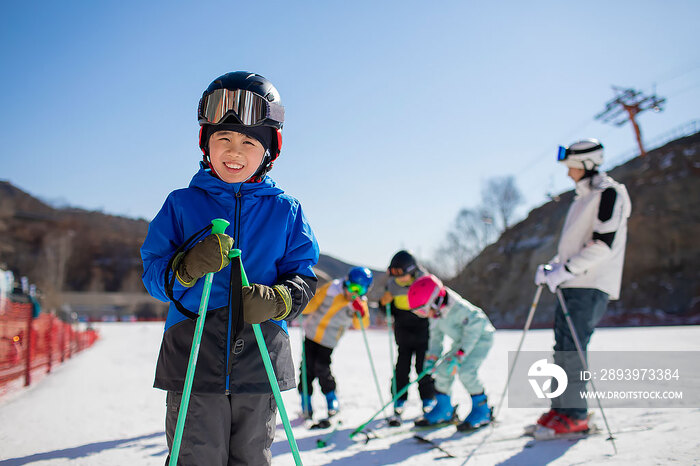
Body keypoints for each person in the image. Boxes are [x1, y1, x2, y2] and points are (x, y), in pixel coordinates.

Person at [141, 71, 319, 466]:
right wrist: (186, 268)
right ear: (205, 143)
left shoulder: (286, 211)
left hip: (260, 359)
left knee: (252, 457)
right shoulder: (181, 204)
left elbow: (304, 275)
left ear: (269, 151)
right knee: (196, 456)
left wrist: (278, 300)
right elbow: (153, 275)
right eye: (223, 138)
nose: (234, 152)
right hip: (194, 355)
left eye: (248, 142)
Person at [533, 139, 631, 436]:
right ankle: (560, 410)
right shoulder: (582, 198)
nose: (568, 174)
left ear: (588, 164)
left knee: (573, 348)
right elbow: (575, 247)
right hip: (572, 282)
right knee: (562, 348)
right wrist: (554, 266)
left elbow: (604, 244)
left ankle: (575, 415)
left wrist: (567, 269)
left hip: (589, 283)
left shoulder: (609, 193)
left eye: (571, 167)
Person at [407, 274, 495, 431]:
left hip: (481, 339)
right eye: (418, 313)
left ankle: (482, 410)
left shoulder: (460, 308)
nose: (423, 315)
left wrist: (460, 355)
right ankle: (444, 409)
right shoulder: (435, 314)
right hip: (461, 343)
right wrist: (432, 359)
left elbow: (475, 328)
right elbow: (436, 339)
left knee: (466, 372)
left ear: (435, 301)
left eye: (422, 310)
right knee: (442, 370)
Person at [299, 266, 372, 420]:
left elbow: (361, 325)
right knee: (306, 370)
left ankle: (332, 400)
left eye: (361, 290)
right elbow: (313, 304)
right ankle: (306, 403)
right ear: (346, 283)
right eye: (353, 287)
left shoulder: (359, 304)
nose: (355, 293)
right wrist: (301, 303)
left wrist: (361, 312)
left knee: (322, 369)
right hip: (312, 334)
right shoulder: (332, 289)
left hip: (329, 341)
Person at [379, 250, 436, 416]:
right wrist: (384, 303)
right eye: (395, 275)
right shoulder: (392, 285)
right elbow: (387, 310)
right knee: (402, 367)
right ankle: (399, 398)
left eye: (402, 275)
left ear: (411, 270)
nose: (399, 279)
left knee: (422, 366)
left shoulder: (424, 281)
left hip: (422, 328)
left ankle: (428, 399)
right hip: (403, 329)